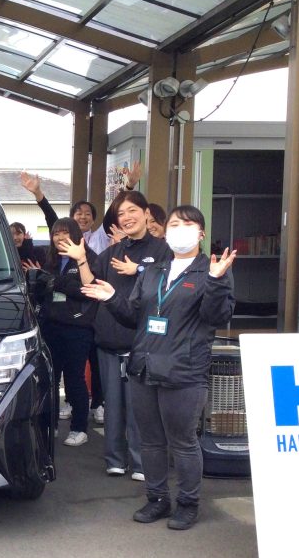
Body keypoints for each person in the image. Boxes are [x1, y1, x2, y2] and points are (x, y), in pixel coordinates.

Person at [81, 205, 236, 530]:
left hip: (184, 372)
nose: (180, 230)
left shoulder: (211, 270)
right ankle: (157, 499)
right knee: (150, 441)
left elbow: (216, 316)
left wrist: (216, 280)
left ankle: (188, 504)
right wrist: (111, 298)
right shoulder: (154, 270)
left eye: (187, 224)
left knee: (183, 442)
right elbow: (133, 315)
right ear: (165, 232)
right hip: (145, 367)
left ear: (200, 233)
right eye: (174, 224)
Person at [60, 190, 171, 480]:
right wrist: (81, 259)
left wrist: (140, 269)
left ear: (146, 213)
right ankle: (115, 459)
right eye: (121, 213)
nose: (127, 217)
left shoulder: (162, 249)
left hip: (143, 342)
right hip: (109, 338)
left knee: (140, 407)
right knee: (113, 405)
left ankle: (141, 462)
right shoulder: (113, 251)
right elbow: (91, 284)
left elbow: (169, 280)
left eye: (132, 210)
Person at [37, 218, 99, 446]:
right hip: (50, 327)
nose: (60, 237)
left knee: (74, 378)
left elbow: (88, 290)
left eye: (65, 233)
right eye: (56, 233)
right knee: (50, 379)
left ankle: (79, 428)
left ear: (75, 235)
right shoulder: (50, 260)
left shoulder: (89, 258)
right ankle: (49, 425)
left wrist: (57, 283)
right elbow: (43, 290)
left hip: (78, 329)